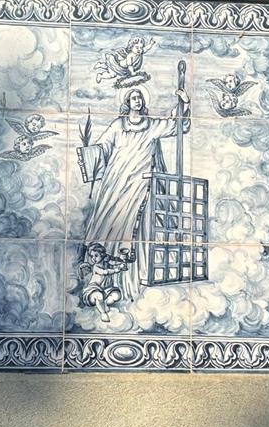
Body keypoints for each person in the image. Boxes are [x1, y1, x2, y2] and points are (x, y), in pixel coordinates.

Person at [81, 85, 190, 299]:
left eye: (139, 97)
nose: (137, 101)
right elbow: (103, 147)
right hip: (118, 182)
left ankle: (135, 279)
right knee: (112, 222)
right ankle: (107, 278)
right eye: (133, 98)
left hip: (141, 183)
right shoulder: (117, 126)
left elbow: (175, 125)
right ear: (127, 103)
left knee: (140, 225)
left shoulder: (152, 125)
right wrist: (91, 155)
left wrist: (184, 104)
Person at [78, 243, 131, 322]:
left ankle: (104, 304)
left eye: (96, 255)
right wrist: (117, 269)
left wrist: (121, 264)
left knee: (117, 295)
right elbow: (105, 272)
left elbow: (113, 264)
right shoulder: (96, 267)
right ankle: (103, 313)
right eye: (92, 256)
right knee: (98, 295)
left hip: (106, 290)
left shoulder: (106, 264)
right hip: (93, 289)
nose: (93, 258)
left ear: (102, 255)